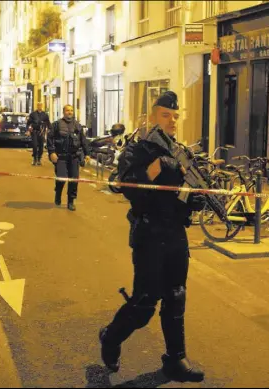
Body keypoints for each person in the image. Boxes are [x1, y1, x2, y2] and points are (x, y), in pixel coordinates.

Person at [99, 91, 206, 383]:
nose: (172, 121)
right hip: (149, 233)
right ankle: (110, 337)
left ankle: (176, 359)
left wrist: (192, 200)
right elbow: (128, 188)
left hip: (175, 233)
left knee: (176, 297)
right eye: (165, 115)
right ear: (151, 117)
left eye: (175, 116)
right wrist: (157, 168)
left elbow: (181, 191)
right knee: (145, 304)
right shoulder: (138, 150)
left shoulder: (179, 149)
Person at [47, 104, 90, 211]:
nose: (69, 112)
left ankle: (71, 201)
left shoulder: (78, 126)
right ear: (63, 112)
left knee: (74, 180)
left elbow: (83, 141)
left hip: (74, 157)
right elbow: (49, 139)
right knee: (61, 178)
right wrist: (52, 152)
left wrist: (87, 154)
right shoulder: (56, 125)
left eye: (71, 110)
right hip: (60, 157)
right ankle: (58, 193)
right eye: (67, 110)